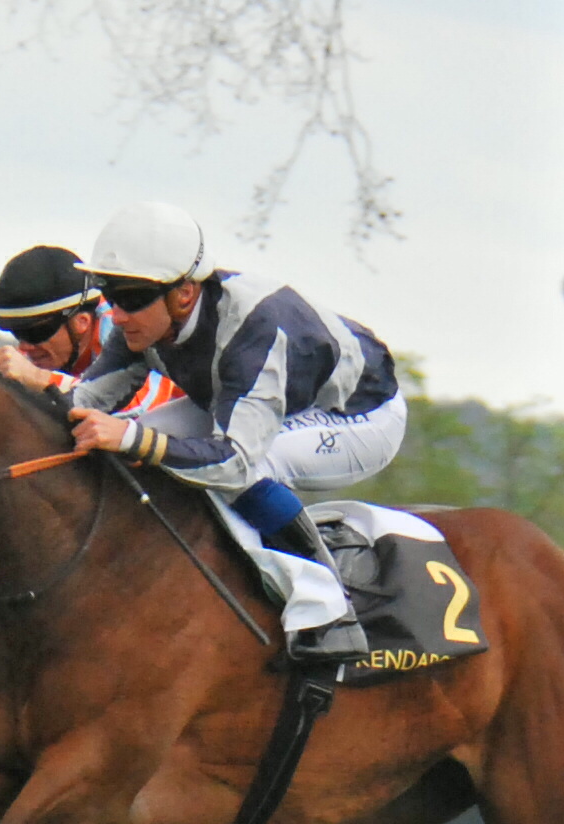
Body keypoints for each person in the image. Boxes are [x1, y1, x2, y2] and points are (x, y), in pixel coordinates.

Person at [65, 200, 407, 664]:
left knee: (249, 467)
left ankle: (327, 603)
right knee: (137, 436)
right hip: (254, 401)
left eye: (128, 298)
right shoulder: (147, 323)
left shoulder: (255, 328)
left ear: (183, 294)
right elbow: (82, 405)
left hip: (359, 417)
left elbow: (233, 461)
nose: (117, 314)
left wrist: (131, 440)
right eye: (108, 294)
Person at [0, 245, 109, 386]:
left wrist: (38, 377)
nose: (25, 347)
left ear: (82, 321)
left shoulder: (120, 331)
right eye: (18, 333)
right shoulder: (41, 353)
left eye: (36, 333)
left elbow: (130, 405)